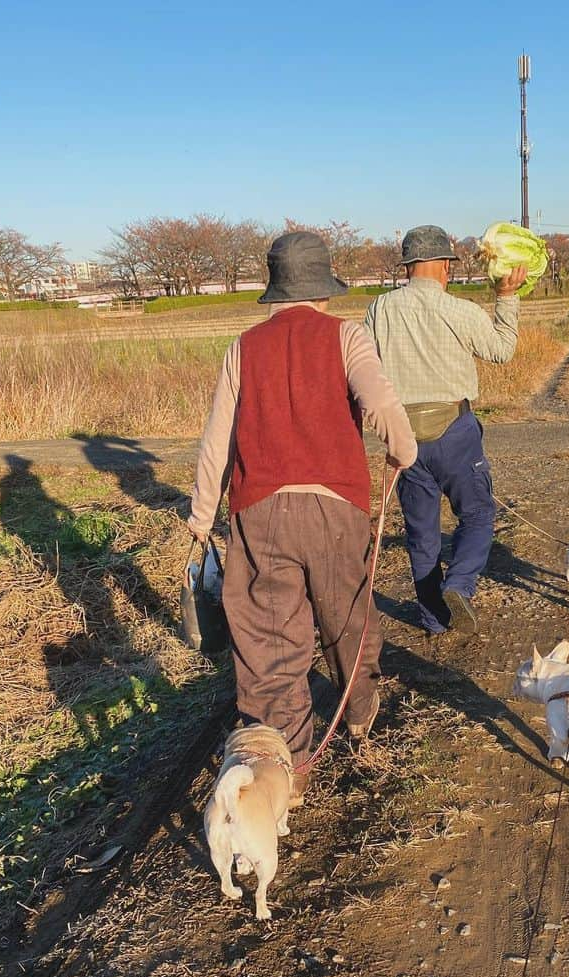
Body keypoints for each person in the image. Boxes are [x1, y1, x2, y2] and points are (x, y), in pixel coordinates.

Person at [188, 231, 417, 804]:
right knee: (346, 614)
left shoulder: (243, 348)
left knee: (268, 638)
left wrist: (200, 514)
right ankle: (360, 716)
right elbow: (383, 404)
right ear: (323, 287)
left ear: (276, 289)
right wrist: (402, 450)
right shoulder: (348, 336)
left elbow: (218, 437)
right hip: (336, 507)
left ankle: (283, 769)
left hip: (258, 510)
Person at [364, 225, 527, 635]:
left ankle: (434, 620)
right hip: (454, 429)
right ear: (443, 267)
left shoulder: (378, 310)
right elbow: (502, 350)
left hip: (403, 435)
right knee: (477, 513)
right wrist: (506, 297)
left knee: (422, 535)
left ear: (407, 268)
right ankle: (459, 584)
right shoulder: (458, 310)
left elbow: (363, 370)